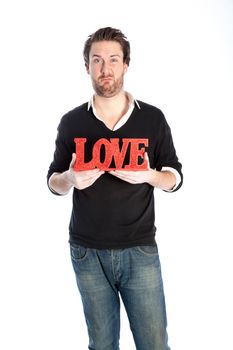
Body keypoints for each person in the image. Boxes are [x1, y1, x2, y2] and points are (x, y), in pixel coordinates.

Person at [47, 27, 183, 350]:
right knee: (102, 345)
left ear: (126, 64)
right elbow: (53, 180)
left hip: (140, 250)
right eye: (97, 61)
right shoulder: (71, 122)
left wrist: (149, 175)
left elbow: (175, 176)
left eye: (113, 59)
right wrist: (70, 178)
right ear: (87, 67)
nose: (105, 69)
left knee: (153, 344)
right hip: (86, 252)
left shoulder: (152, 119)